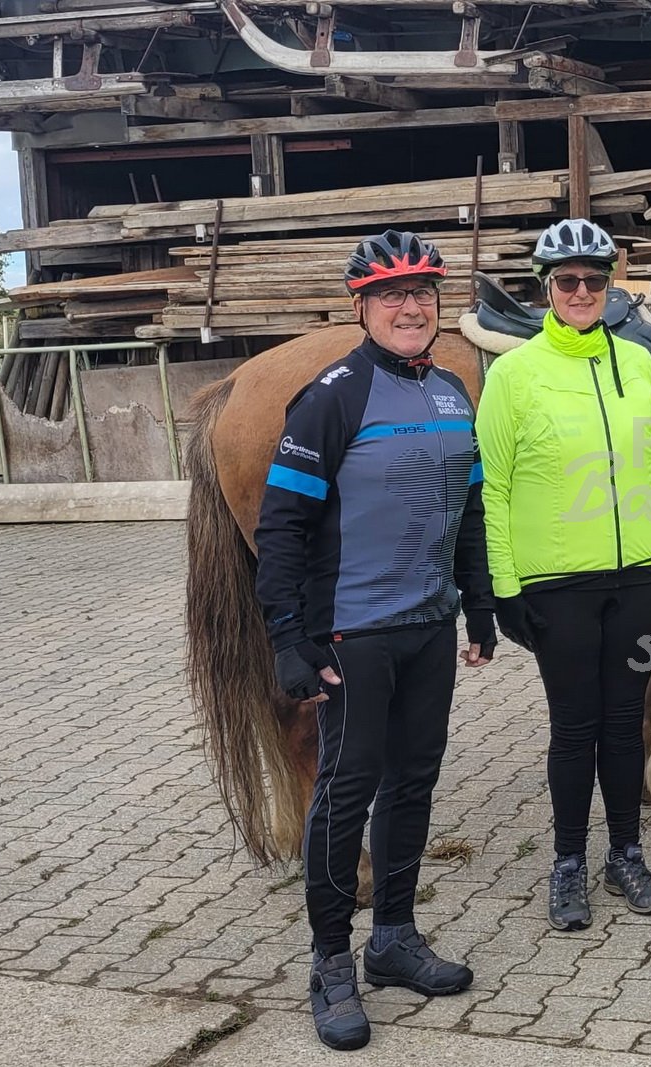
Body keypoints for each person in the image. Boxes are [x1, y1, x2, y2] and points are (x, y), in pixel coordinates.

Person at [254, 229, 493, 1051]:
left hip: (428, 626)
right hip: (351, 631)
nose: (409, 306)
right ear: (362, 308)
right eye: (391, 294)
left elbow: (470, 508)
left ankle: (392, 937)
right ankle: (330, 961)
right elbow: (281, 526)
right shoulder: (332, 397)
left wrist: (479, 604)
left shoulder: (453, 391)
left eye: (421, 292)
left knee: (414, 782)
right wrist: (288, 637)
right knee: (345, 791)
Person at [475, 218, 651, 931]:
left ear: (610, 287)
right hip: (558, 584)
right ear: (546, 289)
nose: (580, 291)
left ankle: (625, 854)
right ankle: (568, 861)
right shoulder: (514, 374)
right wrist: (504, 586)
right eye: (566, 280)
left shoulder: (638, 365)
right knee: (574, 729)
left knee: (626, 724)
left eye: (593, 280)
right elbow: (494, 489)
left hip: (638, 578)